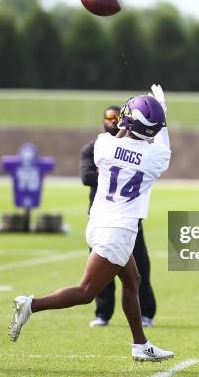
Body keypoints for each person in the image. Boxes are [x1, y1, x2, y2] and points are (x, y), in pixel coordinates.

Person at [10, 86, 174, 362]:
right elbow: (160, 143)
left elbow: (123, 137)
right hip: (119, 229)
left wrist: (131, 120)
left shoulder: (103, 144)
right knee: (86, 292)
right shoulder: (155, 157)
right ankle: (30, 305)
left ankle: (140, 344)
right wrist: (162, 115)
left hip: (99, 221)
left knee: (132, 280)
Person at [80, 106, 157, 328]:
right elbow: (86, 176)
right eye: (109, 117)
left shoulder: (106, 146)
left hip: (127, 221)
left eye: (118, 118)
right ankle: (103, 314)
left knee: (137, 274)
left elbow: (98, 172)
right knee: (93, 283)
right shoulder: (97, 146)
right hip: (105, 217)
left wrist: (107, 169)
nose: (114, 121)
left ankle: (144, 324)